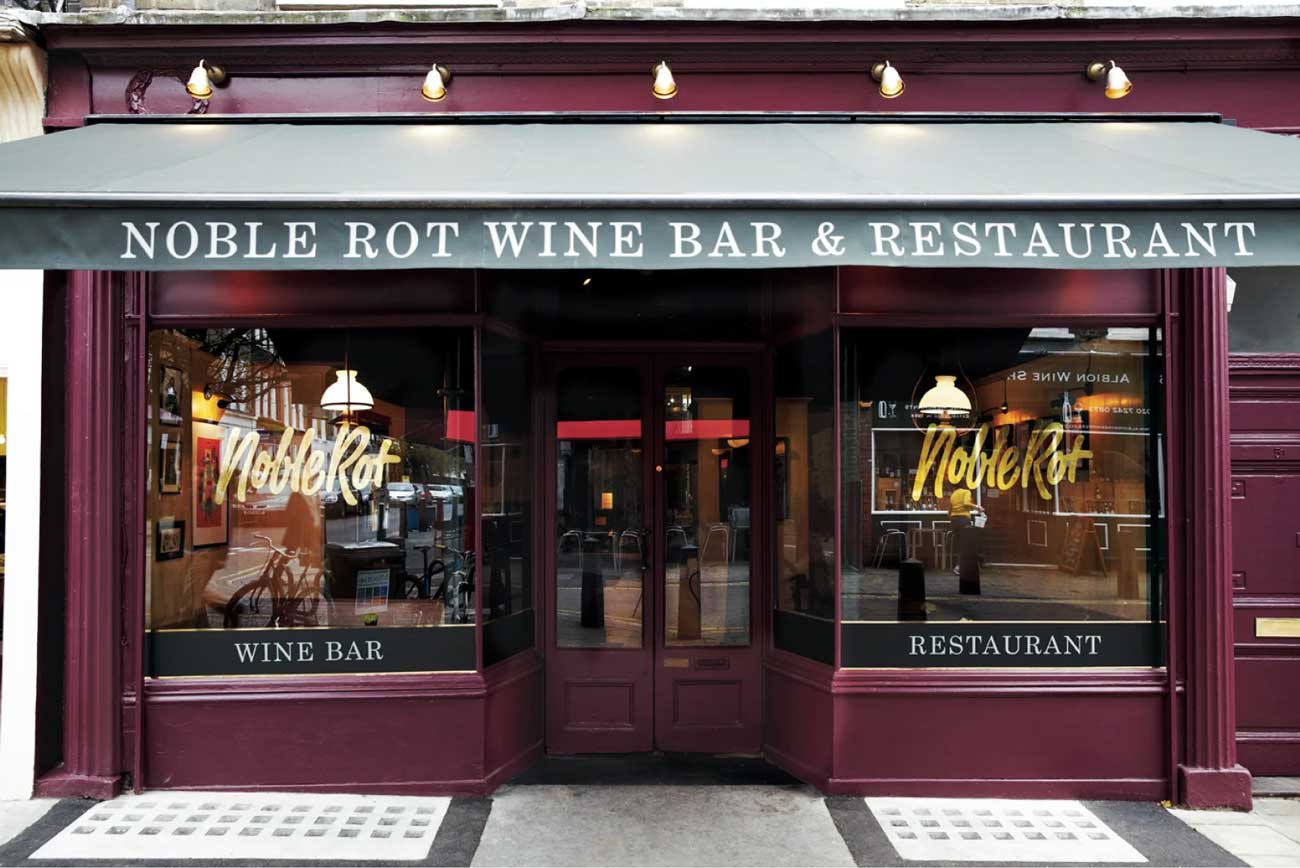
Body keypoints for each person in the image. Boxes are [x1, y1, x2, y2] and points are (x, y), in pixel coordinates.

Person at [948, 487, 984, 595]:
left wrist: (952, 518)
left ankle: (958, 565)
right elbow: (966, 503)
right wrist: (977, 507)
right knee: (967, 545)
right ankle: (960, 567)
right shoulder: (966, 492)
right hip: (964, 519)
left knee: (959, 544)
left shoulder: (954, 493)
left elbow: (949, 509)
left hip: (954, 520)